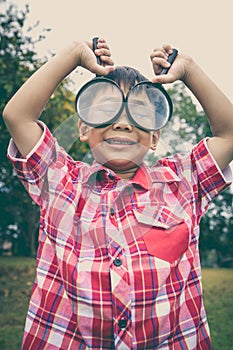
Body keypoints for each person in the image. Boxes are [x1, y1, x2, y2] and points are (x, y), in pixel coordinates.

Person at [2, 37, 233, 349]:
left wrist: (189, 69)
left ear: (154, 137)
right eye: (107, 108)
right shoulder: (59, 181)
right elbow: (17, 116)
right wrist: (73, 55)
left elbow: (229, 133)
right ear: (83, 128)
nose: (123, 122)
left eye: (139, 112)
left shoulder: (182, 182)